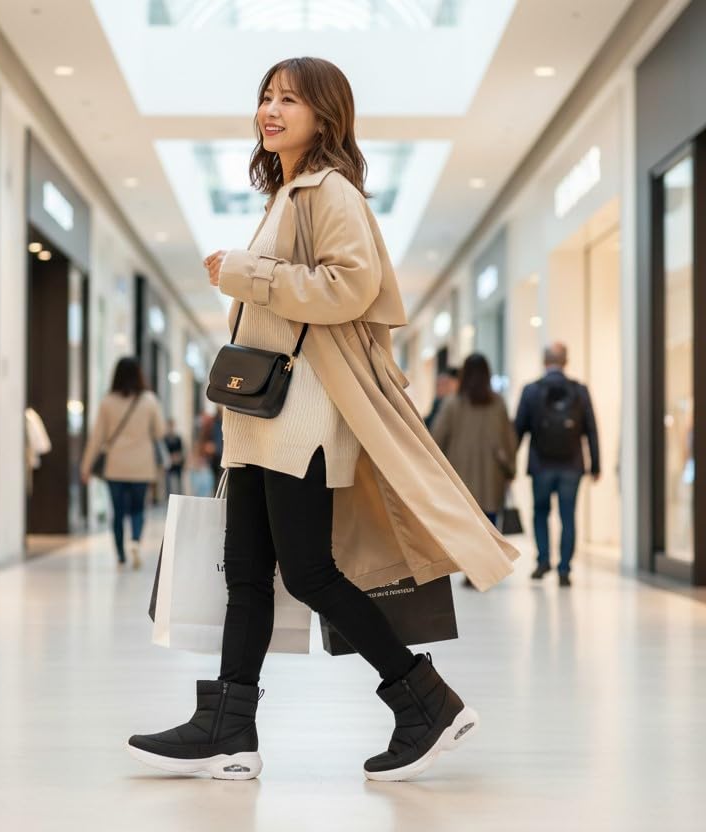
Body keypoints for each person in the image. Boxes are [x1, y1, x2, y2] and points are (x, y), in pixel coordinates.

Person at [127, 57, 518, 782]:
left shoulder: (329, 191)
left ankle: (424, 701)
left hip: (299, 418)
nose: (270, 111)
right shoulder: (285, 194)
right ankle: (229, 726)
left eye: (289, 100)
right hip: (258, 418)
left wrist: (246, 273)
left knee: (307, 572)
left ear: (324, 114)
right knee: (247, 572)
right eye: (265, 98)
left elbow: (350, 286)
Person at [514, 342, 600, 587]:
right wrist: (596, 465)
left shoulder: (531, 390)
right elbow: (591, 429)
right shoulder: (579, 391)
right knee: (568, 515)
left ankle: (542, 561)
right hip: (572, 465)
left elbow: (518, 429)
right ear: (566, 361)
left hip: (540, 465)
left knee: (540, 513)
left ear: (544, 361)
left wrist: (509, 465)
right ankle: (564, 568)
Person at [432, 354, 516, 586]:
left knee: (468, 525)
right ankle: (487, 567)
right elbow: (508, 440)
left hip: (461, 477)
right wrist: (510, 468)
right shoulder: (497, 403)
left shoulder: (452, 404)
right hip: (492, 476)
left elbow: (436, 438)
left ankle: (473, 570)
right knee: (489, 522)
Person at [81, 357, 165, 569]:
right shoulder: (149, 400)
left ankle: (120, 556)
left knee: (118, 513)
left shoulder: (108, 402)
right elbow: (160, 431)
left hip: (115, 466)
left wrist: (86, 466)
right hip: (142, 466)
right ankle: (135, 540)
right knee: (138, 509)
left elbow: (97, 437)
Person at [424, 367, 459, 433]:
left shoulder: (453, 405)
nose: (439, 388)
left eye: (444, 384)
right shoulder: (438, 402)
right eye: (438, 385)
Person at [162, 419, 185, 496]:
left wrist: (177, 457)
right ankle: (168, 496)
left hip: (177, 462)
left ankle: (179, 495)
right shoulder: (165, 438)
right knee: (168, 481)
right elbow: (164, 451)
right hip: (169, 462)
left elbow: (181, 450)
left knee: (179, 481)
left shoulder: (178, 438)